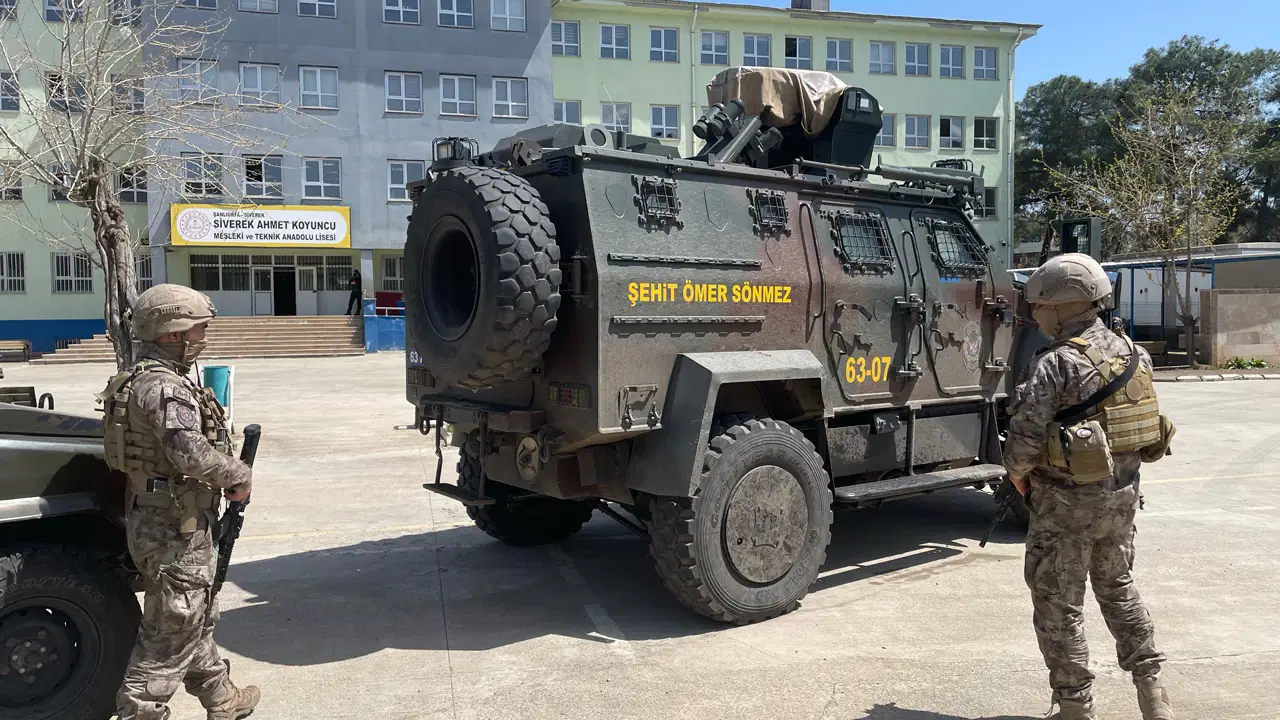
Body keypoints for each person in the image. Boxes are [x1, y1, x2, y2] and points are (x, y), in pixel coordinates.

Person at [1003, 254, 1177, 720]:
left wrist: (1018, 476)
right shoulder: (1134, 354)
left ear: (1063, 307)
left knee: (1058, 604)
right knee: (1118, 588)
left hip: (1064, 506)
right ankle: (1153, 694)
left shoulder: (1055, 363)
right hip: (1121, 500)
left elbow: (1022, 446)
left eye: (1040, 307)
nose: (1035, 315)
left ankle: (1075, 706)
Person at [99, 284, 261, 720]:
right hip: (174, 526)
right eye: (198, 330)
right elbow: (191, 455)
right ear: (172, 333)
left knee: (191, 615)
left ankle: (221, 699)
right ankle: (140, 711)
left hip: (161, 518)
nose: (202, 338)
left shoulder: (140, 377)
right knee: (170, 630)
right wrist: (238, 475)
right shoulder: (163, 388)